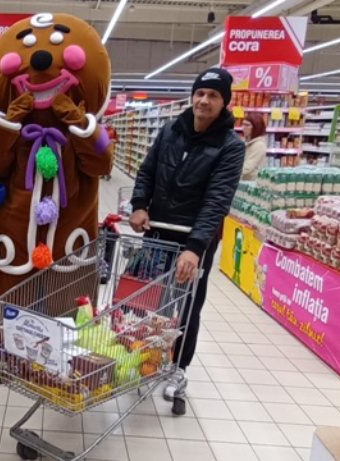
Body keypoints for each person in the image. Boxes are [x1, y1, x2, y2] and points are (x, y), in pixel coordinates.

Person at [128, 67, 245, 402]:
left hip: (194, 238)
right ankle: (144, 357)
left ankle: (178, 367)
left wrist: (195, 247)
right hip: (158, 230)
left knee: (187, 305)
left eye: (213, 96)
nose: (204, 101)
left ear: (224, 103)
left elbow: (217, 199)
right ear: (192, 96)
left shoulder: (230, 146)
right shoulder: (170, 130)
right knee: (148, 299)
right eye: (200, 93)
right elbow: (147, 170)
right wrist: (139, 205)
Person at [241, 113, 268, 180]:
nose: (243, 128)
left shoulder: (259, 145)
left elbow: (248, 167)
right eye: (243, 124)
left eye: (247, 125)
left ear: (256, 127)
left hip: (251, 184)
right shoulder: (245, 141)